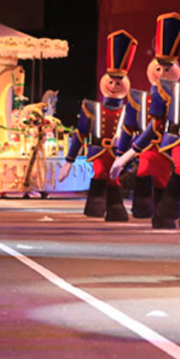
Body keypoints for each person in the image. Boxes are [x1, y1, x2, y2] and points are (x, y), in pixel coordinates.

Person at [114, 14, 180, 223]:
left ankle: (163, 211)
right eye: (159, 68)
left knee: (165, 178)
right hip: (146, 147)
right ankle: (143, 206)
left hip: (170, 147)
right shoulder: (139, 98)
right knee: (144, 171)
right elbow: (128, 128)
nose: (162, 73)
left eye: (167, 68)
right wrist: (122, 153)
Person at [60, 31, 139, 222]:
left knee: (113, 176)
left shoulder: (128, 111)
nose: (114, 85)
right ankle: (100, 205)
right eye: (111, 81)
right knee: (102, 172)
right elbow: (80, 134)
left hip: (118, 153)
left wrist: (130, 152)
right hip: (98, 151)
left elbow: (134, 134)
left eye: (118, 82)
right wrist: (69, 161)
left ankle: (111, 207)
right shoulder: (91, 109)